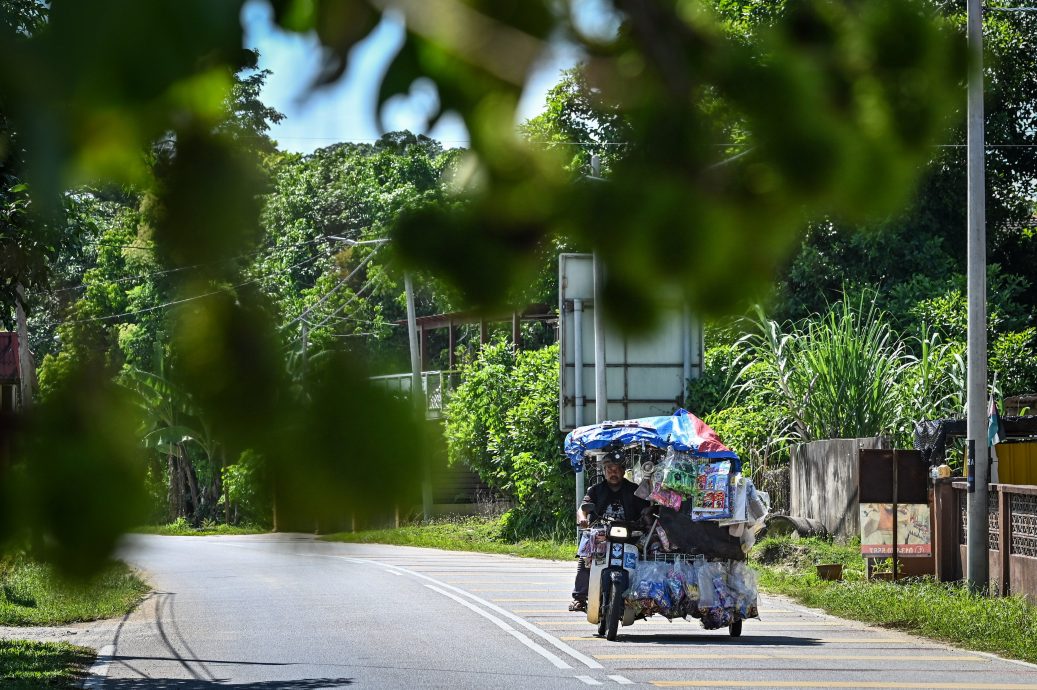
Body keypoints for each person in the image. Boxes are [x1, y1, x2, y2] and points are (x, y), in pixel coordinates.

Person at [568, 451, 650, 612]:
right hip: (600, 533)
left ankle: (640, 596)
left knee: (645, 556)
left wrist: (647, 520)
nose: (613, 472)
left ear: (623, 470)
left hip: (628, 533)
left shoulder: (634, 490)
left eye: (617, 468)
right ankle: (579, 597)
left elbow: (645, 509)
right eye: (609, 469)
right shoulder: (595, 490)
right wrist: (583, 519)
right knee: (586, 557)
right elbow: (582, 508)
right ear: (604, 471)